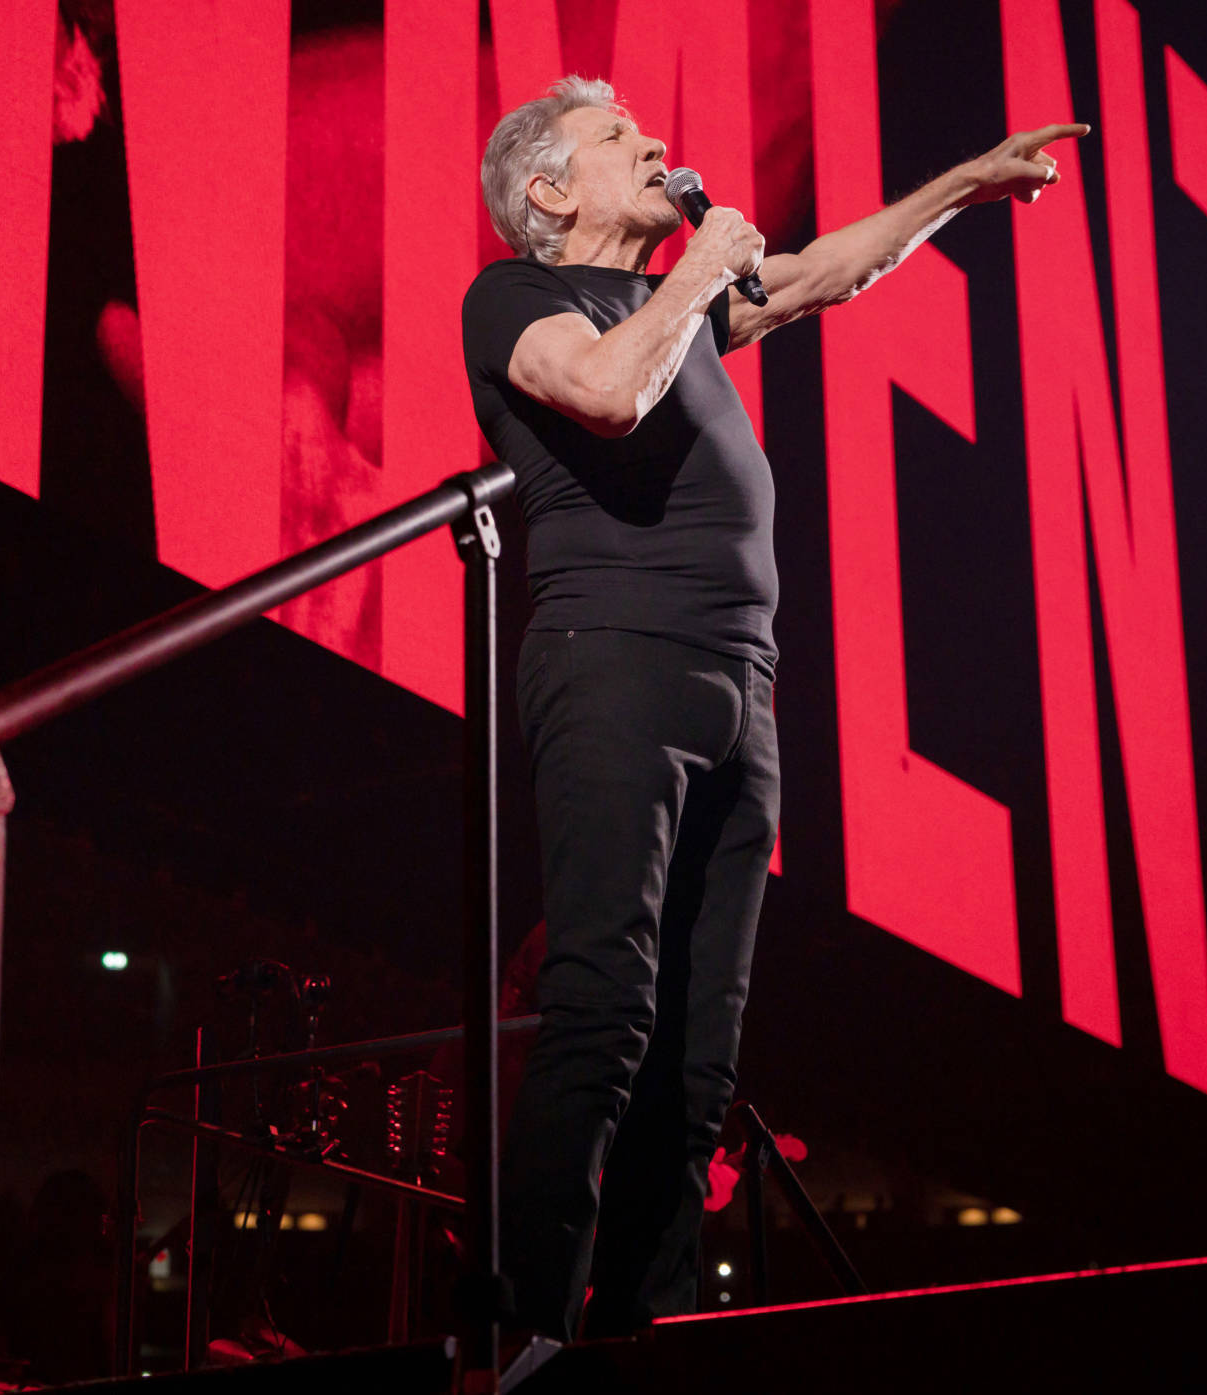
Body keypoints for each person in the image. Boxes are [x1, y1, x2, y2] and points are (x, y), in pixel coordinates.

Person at [462, 75, 1084, 1343]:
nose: (653, 146)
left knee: (697, 1053)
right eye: (617, 140)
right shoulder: (517, 299)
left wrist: (968, 179)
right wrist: (704, 272)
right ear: (548, 190)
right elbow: (602, 393)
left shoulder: (669, 297)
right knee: (601, 1003)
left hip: (738, 684)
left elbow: (821, 275)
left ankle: (650, 1332)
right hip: (612, 661)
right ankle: (523, 1340)